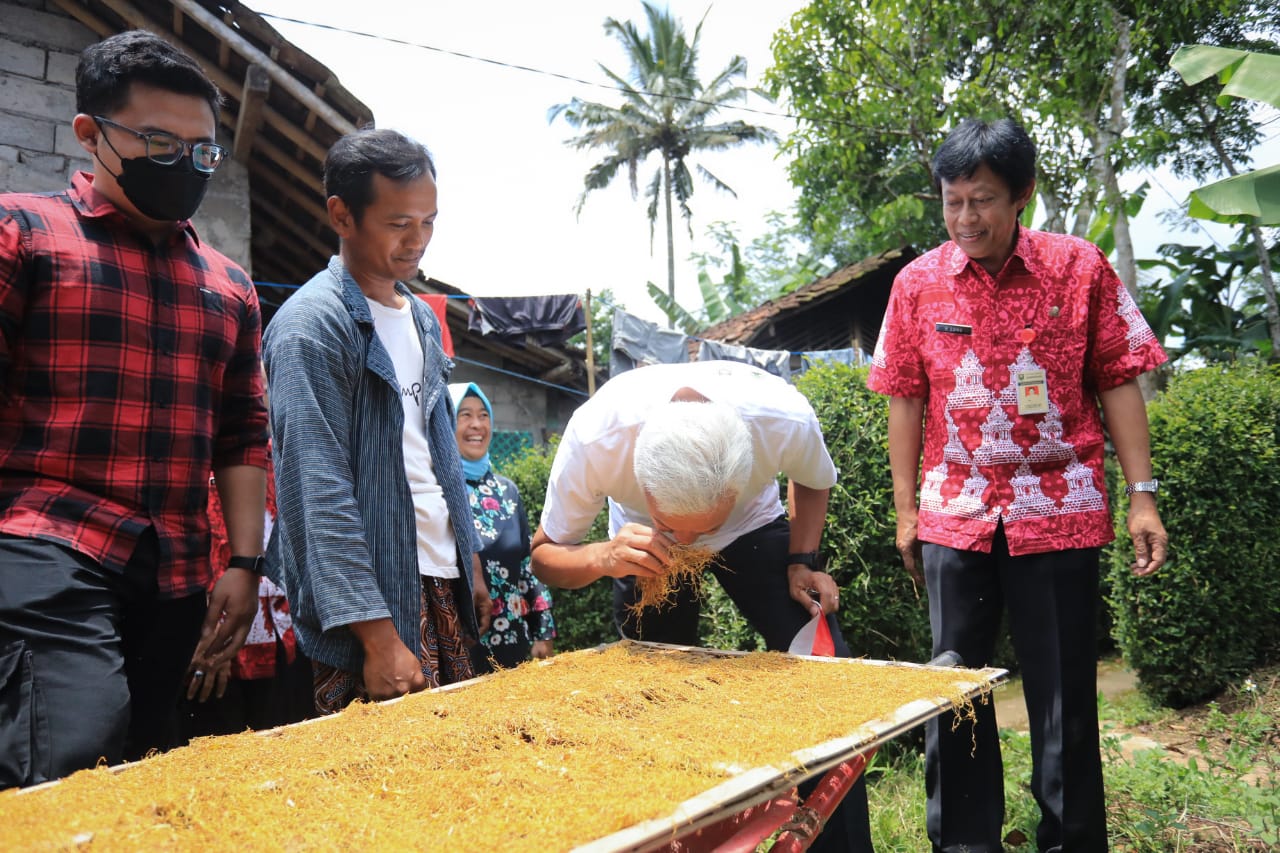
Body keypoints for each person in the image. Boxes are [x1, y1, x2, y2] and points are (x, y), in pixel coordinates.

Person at [866, 118, 1169, 853]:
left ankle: (1071, 842)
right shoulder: (916, 284)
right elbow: (904, 397)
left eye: (984, 200)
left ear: (1023, 194)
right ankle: (966, 845)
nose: (966, 218)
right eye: (953, 201)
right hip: (954, 516)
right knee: (956, 694)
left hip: (1059, 512)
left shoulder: (1080, 268)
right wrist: (907, 510)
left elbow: (1120, 379)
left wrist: (1142, 494)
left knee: (1063, 697)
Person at [0, 31, 269, 787]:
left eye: (201, 151)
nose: (183, 163)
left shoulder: (229, 285)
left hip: (178, 568)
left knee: (153, 766)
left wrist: (243, 564)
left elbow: (244, 434)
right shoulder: (22, 234)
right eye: (157, 141)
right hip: (46, 543)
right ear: (91, 134)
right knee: (71, 751)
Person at [530, 358, 874, 853]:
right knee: (656, 695)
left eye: (704, 527)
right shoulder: (597, 438)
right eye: (676, 524)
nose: (690, 543)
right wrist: (603, 557)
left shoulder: (781, 419)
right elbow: (544, 555)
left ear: (744, 477)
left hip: (752, 527)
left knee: (823, 668)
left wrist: (802, 560)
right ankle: (673, 839)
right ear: (640, 482)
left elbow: (814, 478)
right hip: (645, 548)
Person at [264, 127, 491, 716]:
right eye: (398, 224)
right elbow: (318, 489)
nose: (418, 241)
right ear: (342, 215)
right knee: (384, 790)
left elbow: (433, 455)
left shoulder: (418, 317)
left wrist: (467, 561)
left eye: (429, 221)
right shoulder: (311, 326)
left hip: (440, 577)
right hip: (374, 599)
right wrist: (377, 636)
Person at [449, 382, 556, 673]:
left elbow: (526, 563)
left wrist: (543, 630)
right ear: (444, 423)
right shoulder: (436, 492)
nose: (476, 425)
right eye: (464, 415)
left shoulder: (507, 492)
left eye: (484, 415)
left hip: (513, 643)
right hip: (457, 646)